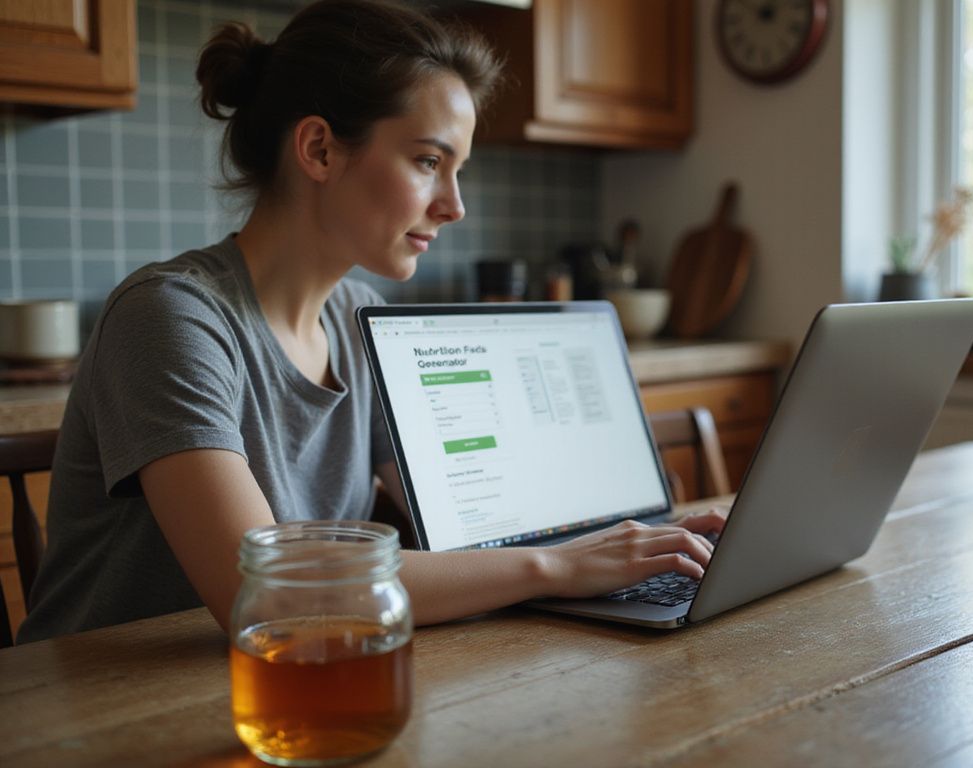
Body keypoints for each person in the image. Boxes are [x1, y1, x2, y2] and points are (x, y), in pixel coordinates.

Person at [17, 0, 724, 644]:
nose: (455, 206)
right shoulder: (171, 317)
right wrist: (556, 566)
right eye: (427, 161)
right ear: (320, 149)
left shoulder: (360, 317)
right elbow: (262, 594)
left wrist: (628, 539)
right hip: (110, 706)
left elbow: (460, 527)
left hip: (304, 674)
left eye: (459, 170)